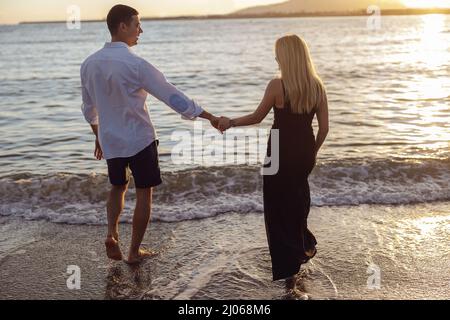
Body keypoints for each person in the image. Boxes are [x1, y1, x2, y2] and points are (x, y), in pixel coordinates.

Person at [80, 4, 219, 264]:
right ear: (122, 26)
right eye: (136, 24)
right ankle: (133, 252)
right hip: (139, 139)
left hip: (110, 139)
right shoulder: (136, 64)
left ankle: (111, 233)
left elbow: (89, 109)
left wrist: (98, 136)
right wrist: (209, 116)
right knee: (144, 192)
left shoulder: (89, 64)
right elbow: (173, 97)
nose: (140, 30)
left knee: (117, 187)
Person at [218, 35, 329, 295]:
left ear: (286, 57)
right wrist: (312, 151)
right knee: (298, 201)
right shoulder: (317, 86)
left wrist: (229, 121)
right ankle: (301, 247)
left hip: (277, 149)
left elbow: (257, 117)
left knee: (276, 207)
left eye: (278, 53)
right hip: (304, 150)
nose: (276, 58)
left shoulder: (277, 85)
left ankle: (288, 267)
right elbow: (324, 128)